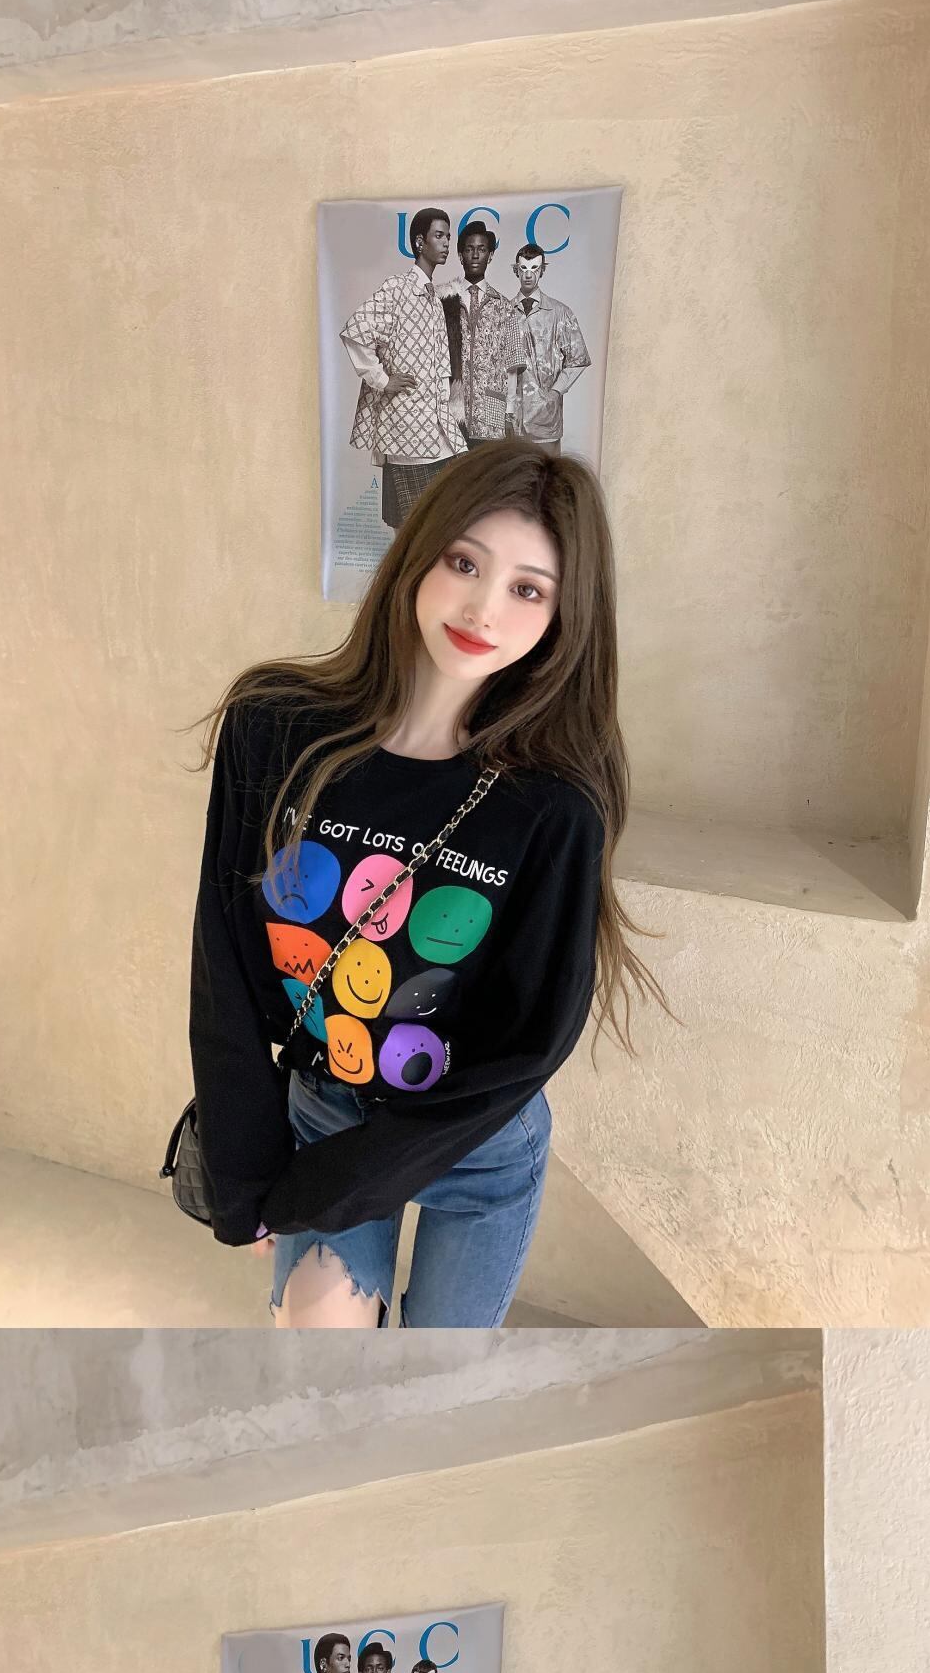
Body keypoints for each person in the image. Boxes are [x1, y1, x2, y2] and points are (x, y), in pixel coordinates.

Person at [185, 435, 667, 1331]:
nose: (484, 608)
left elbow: (528, 1041)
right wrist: (247, 1172)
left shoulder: (550, 808)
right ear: (416, 555)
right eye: (464, 563)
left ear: (564, 617)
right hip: (327, 1110)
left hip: (475, 1144)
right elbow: (227, 965)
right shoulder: (273, 727)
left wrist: (317, 1190)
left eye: (528, 589)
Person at [339, 207, 467, 536]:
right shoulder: (397, 288)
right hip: (406, 429)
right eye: (439, 236)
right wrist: (382, 380)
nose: (446, 243)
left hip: (437, 425)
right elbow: (356, 332)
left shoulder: (435, 299)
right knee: (410, 528)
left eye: (448, 236)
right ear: (419, 242)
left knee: (442, 520)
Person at [504, 245, 590, 450]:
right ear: (516, 270)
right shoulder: (503, 312)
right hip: (510, 419)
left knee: (547, 470)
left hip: (545, 421)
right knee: (513, 470)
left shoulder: (560, 313)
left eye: (534, 268)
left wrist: (555, 392)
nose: (528, 275)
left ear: (542, 270)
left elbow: (578, 359)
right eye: (523, 268)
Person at [442, 220, 513, 443]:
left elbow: (512, 367)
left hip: (490, 411)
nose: (475, 255)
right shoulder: (444, 300)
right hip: (452, 410)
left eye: (481, 249)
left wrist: (510, 412)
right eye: (469, 249)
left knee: (487, 465)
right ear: (460, 255)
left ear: (490, 256)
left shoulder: (504, 306)